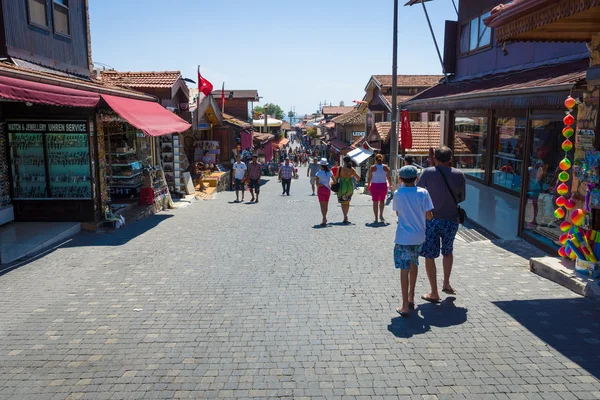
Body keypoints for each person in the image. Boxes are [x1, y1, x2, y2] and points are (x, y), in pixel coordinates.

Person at [417, 146, 466, 302]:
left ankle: (434, 292)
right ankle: (446, 283)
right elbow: (461, 197)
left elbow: (418, 192)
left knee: (429, 255)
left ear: (435, 159)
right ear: (451, 158)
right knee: (448, 251)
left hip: (431, 219)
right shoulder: (459, 175)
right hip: (451, 219)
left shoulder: (428, 172)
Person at [393, 165, 434, 316]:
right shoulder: (423, 193)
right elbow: (429, 215)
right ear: (416, 178)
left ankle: (404, 305)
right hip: (419, 236)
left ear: (400, 179)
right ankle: (411, 296)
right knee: (414, 263)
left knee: (404, 269)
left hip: (404, 237)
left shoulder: (398, 193)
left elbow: (398, 213)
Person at [335, 156, 360, 224]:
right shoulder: (352, 169)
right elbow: (358, 177)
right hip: (349, 186)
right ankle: (346, 215)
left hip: (342, 186)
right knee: (347, 201)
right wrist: (356, 181)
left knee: (343, 202)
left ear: (344, 161)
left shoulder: (340, 168)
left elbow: (337, 177)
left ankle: (345, 216)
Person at [368, 154, 393, 223]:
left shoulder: (372, 167)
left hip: (374, 186)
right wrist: (390, 185)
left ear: (375, 160)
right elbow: (388, 177)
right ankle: (381, 215)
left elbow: (369, 178)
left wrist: (368, 185)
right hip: (383, 186)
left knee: (375, 202)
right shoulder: (386, 167)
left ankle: (376, 218)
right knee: (382, 201)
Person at [315, 158, 333, 226]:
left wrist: (322, 184)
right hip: (328, 189)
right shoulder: (329, 172)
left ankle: (324, 219)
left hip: (321, 189)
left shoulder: (318, 173)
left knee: (322, 205)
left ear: (321, 165)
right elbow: (334, 180)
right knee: (326, 205)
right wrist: (329, 183)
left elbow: (317, 184)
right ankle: (325, 218)